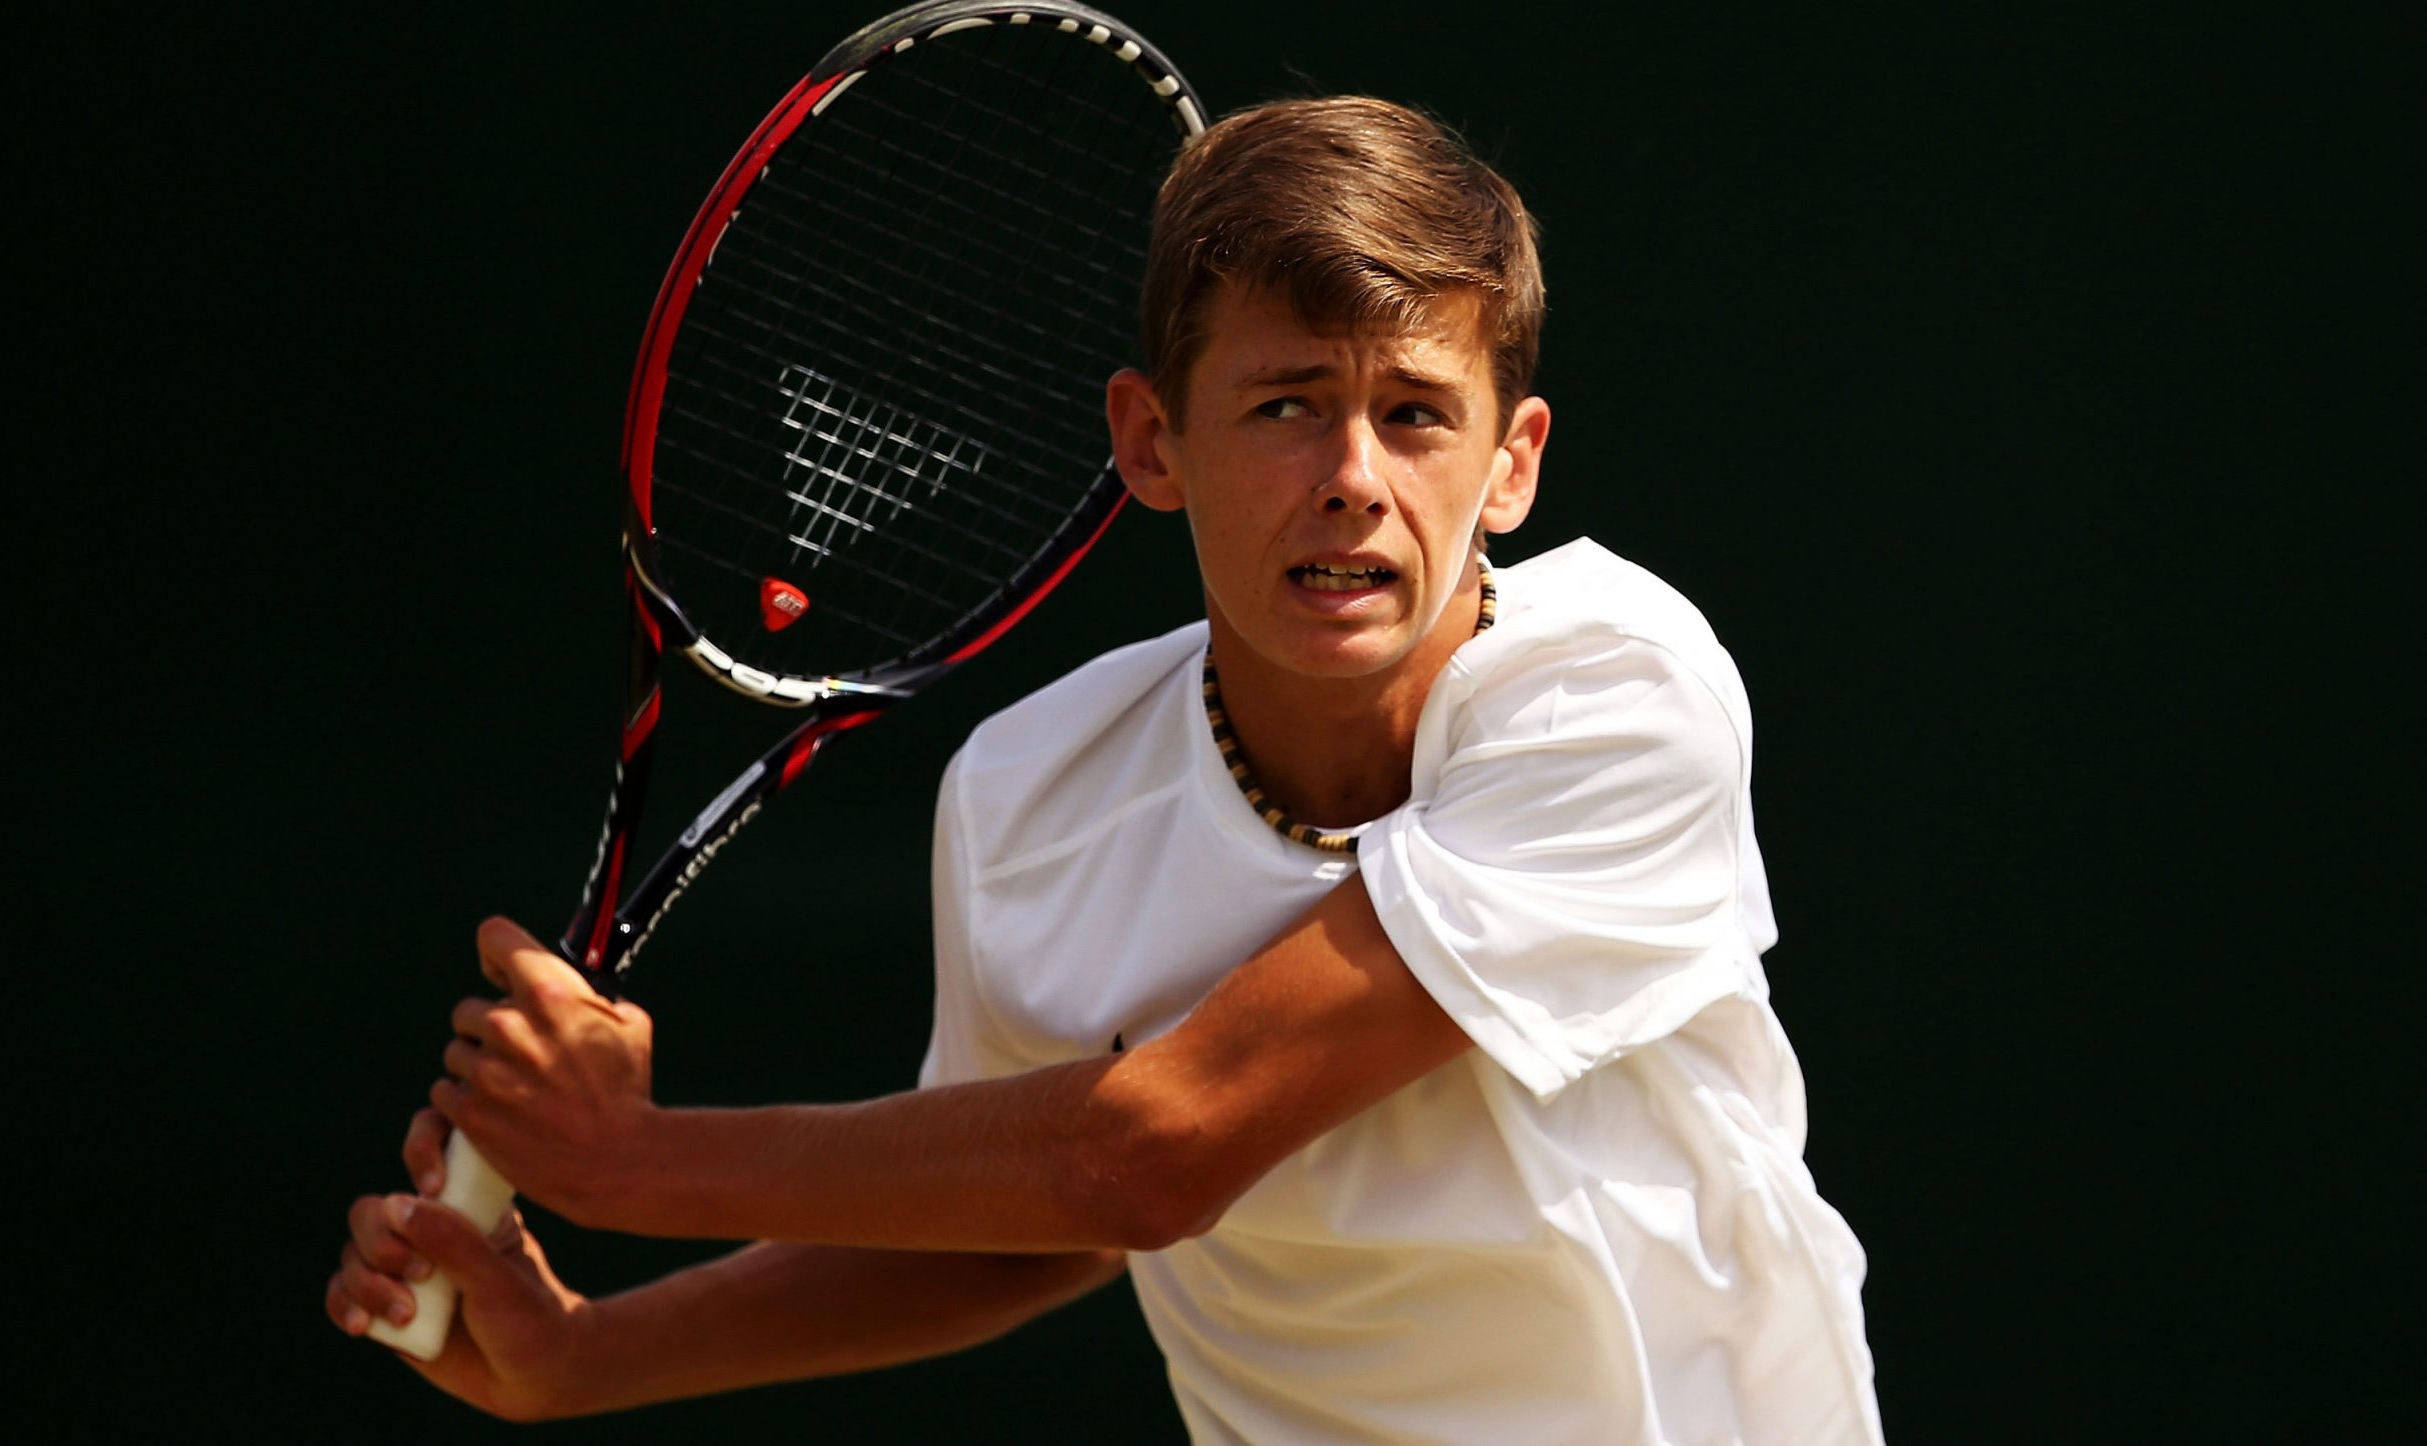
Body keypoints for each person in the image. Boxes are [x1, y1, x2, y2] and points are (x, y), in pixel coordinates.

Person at [328, 96, 1883, 1442]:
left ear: (1513, 462)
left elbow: (1150, 1153)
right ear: (1150, 443)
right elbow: (1019, 1224)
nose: (1353, 479)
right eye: (1286, 407)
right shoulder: (1030, 804)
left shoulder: (1613, 698)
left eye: (1414, 415)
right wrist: (589, 1355)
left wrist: (639, 1161)